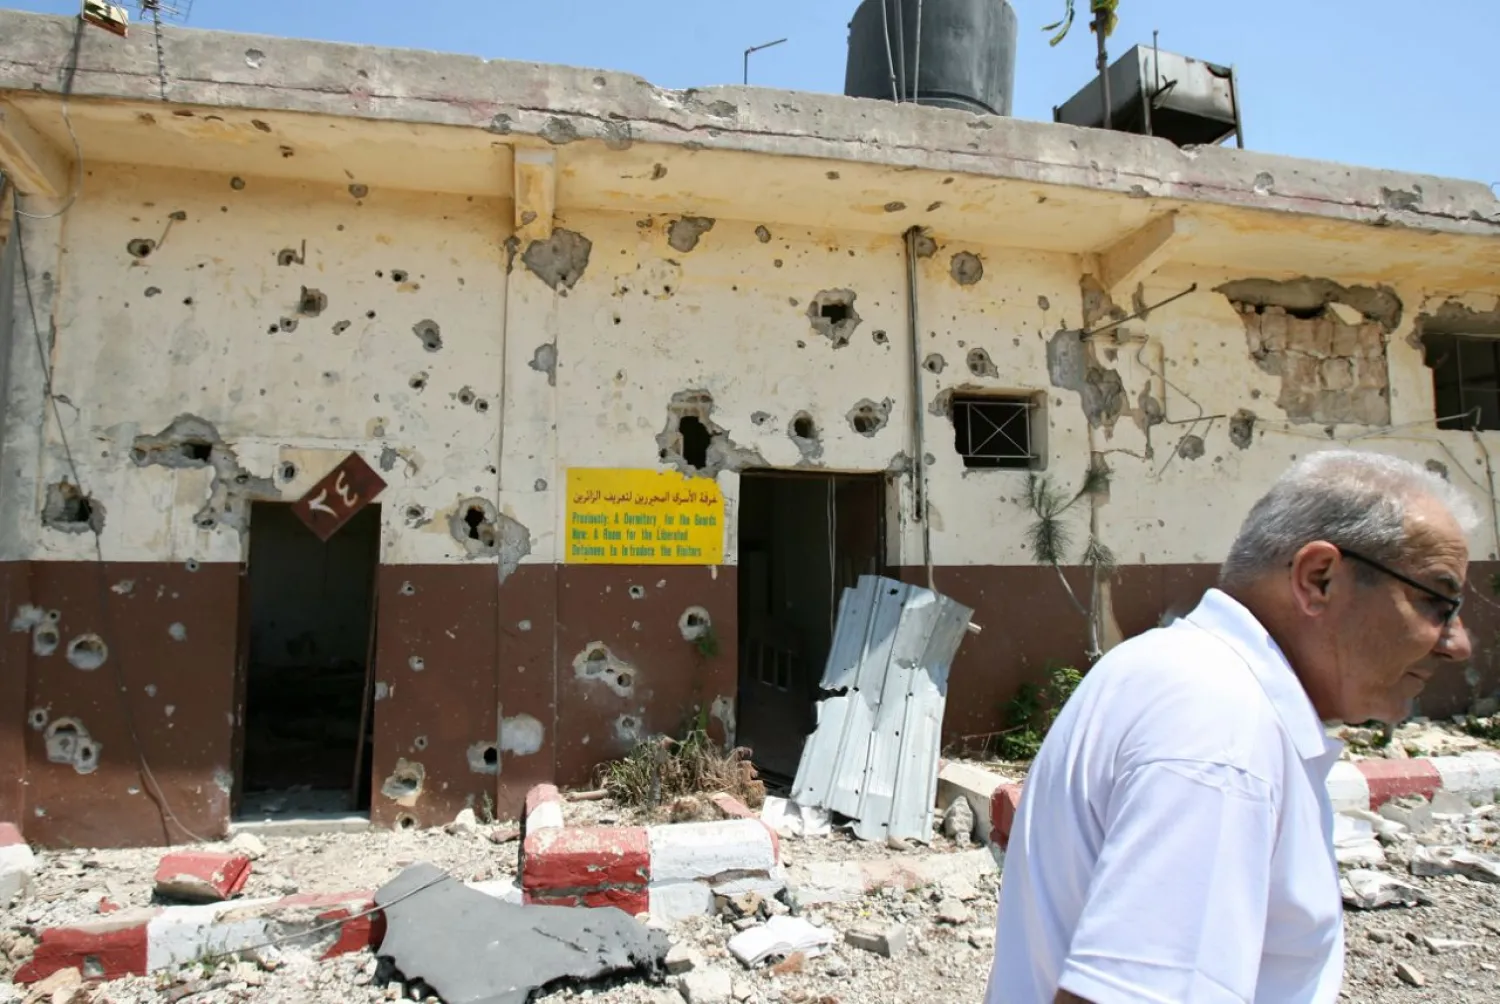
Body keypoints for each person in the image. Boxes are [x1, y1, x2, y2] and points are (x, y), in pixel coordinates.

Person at [984, 449, 1477, 1004]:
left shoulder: (1181, 673)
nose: (1457, 644)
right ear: (1319, 579)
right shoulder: (1222, 728)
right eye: (1437, 601)